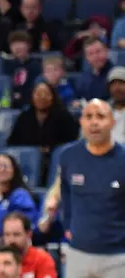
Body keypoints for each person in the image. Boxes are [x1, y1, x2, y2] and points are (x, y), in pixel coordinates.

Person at [59, 99, 125, 277]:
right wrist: (67, 226)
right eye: (88, 117)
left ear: (112, 122)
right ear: (81, 122)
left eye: (100, 116)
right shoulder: (68, 156)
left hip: (117, 258)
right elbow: (65, 193)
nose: (94, 122)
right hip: (78, 254)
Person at [0, 212, 56, 278]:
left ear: (29, 234)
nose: (11, 240)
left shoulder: (42, 259)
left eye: (16, 234)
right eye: (7, 235)